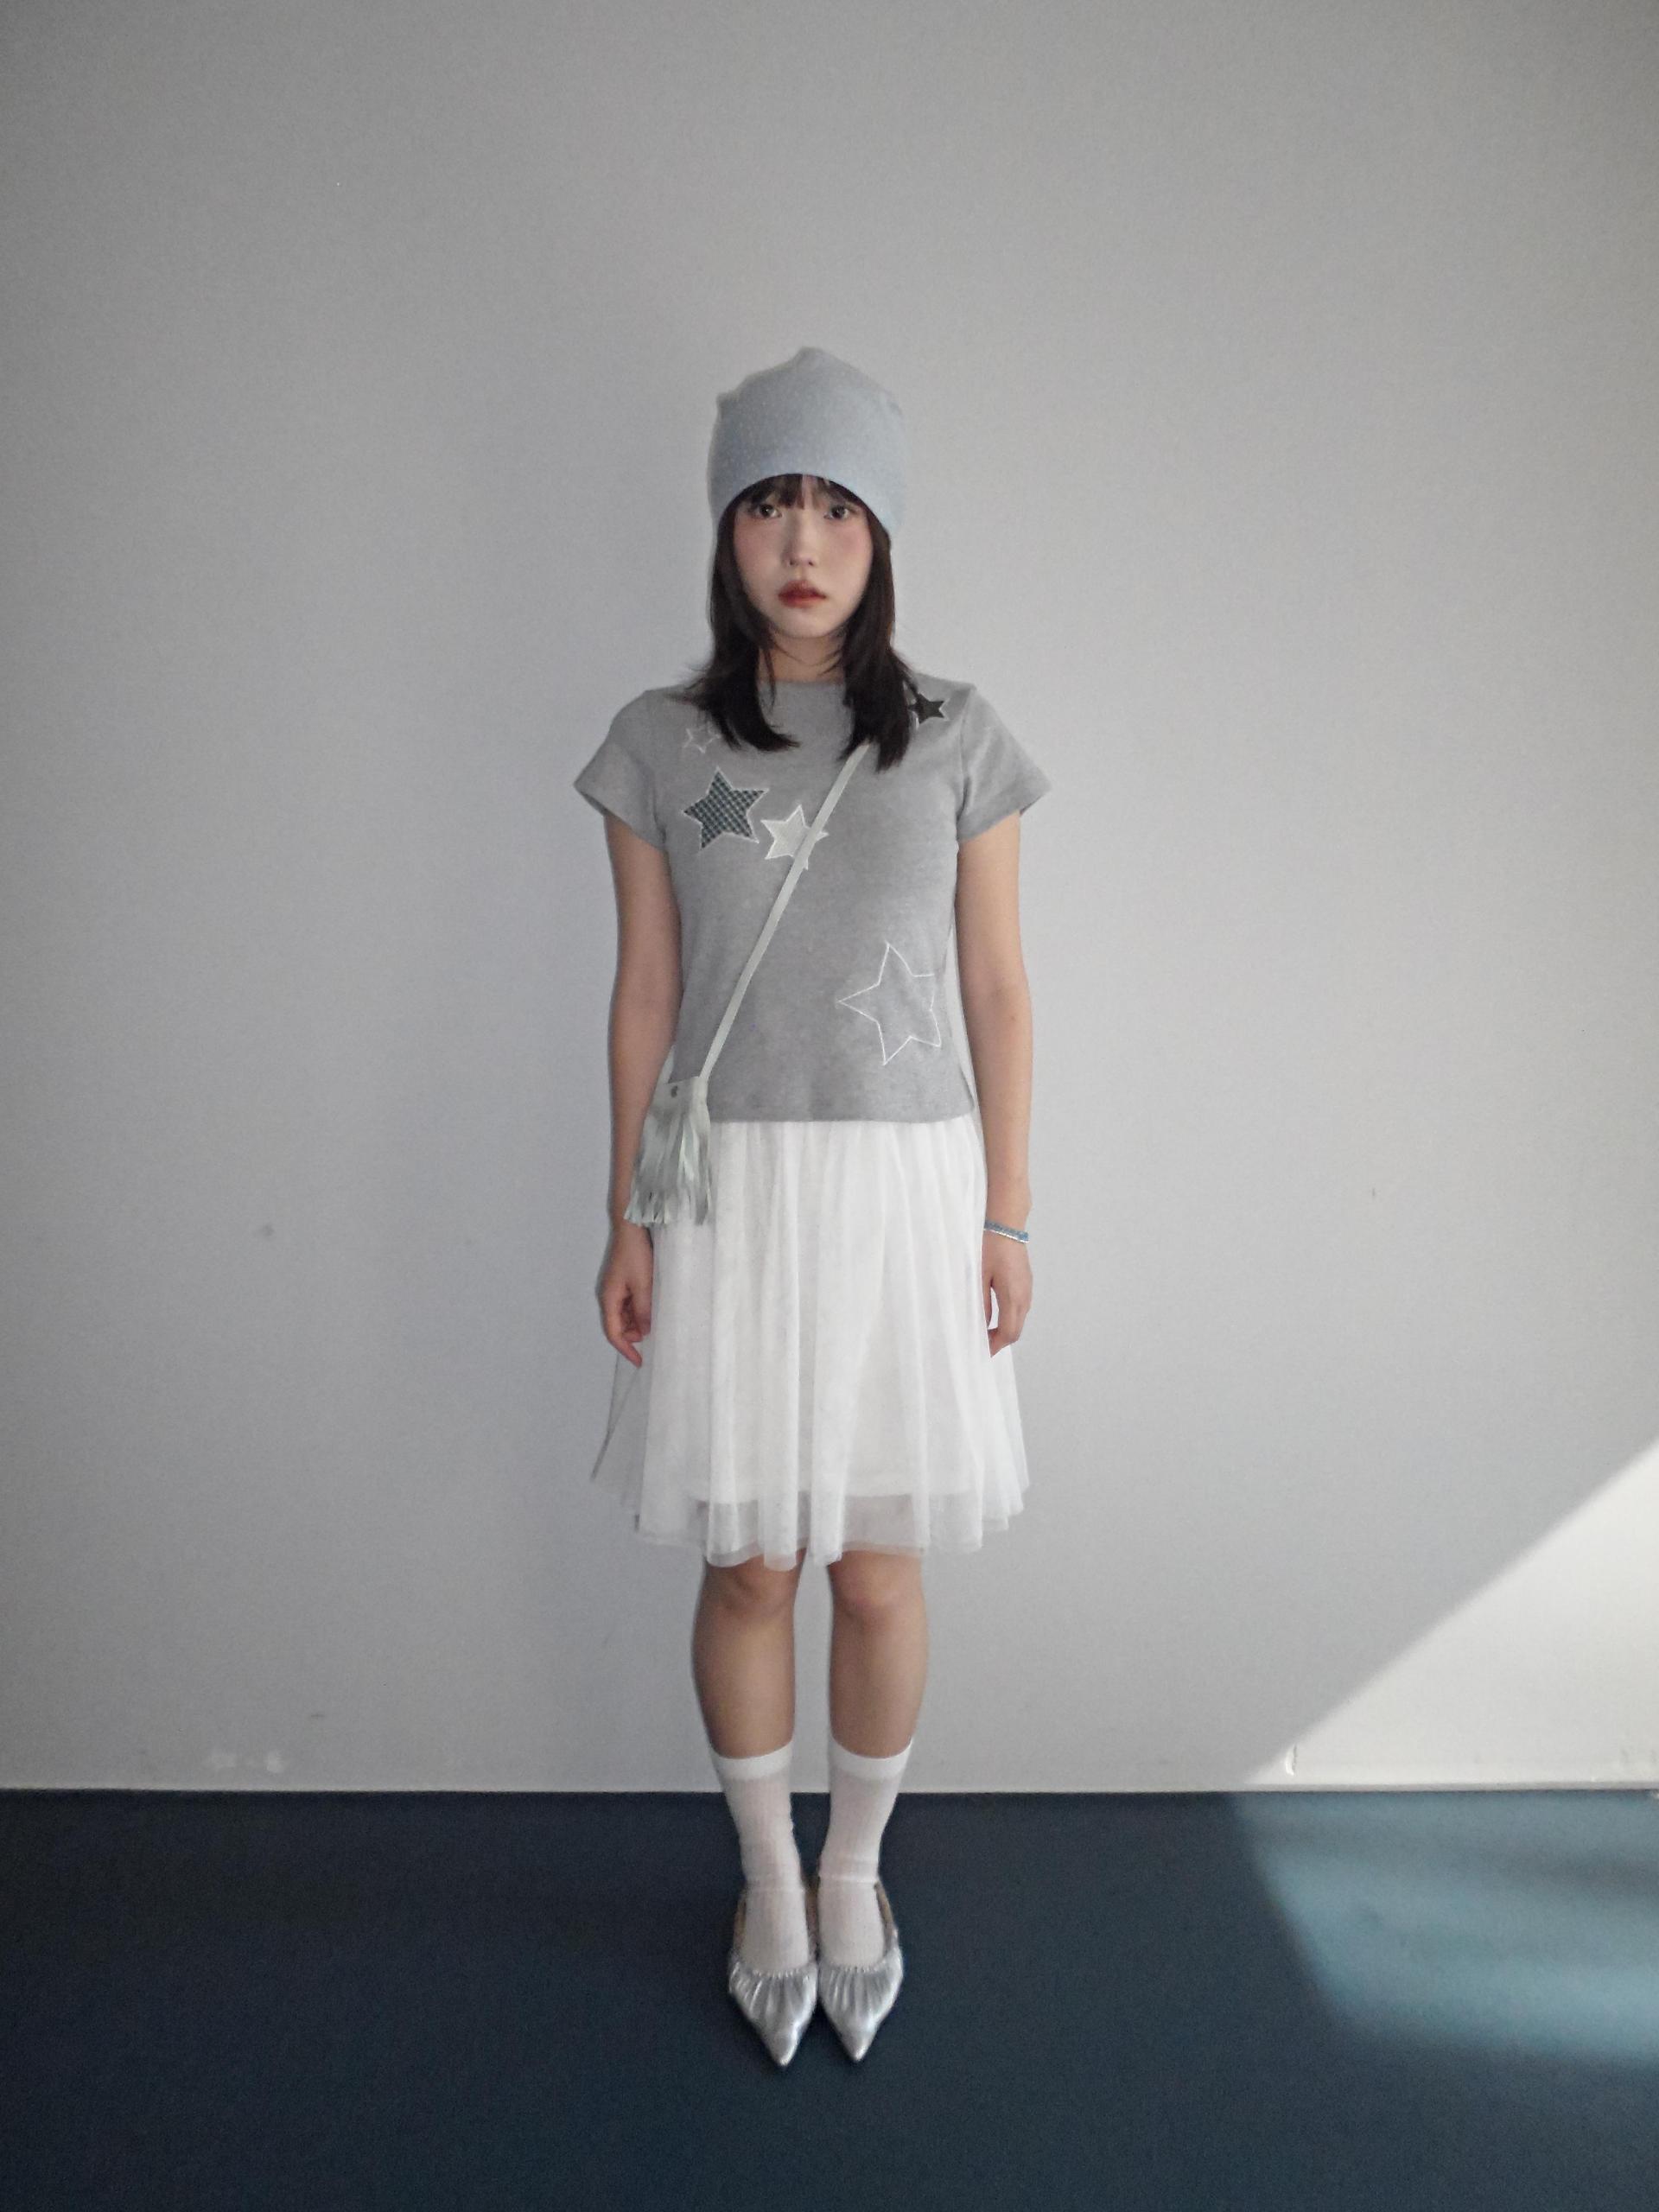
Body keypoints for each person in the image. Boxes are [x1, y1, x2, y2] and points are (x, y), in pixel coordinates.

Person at [572, 346, 1051, 2065]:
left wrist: (1008, 1214)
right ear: (727, 527)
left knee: (881, 1565)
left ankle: (857, 1871)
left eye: (837, 506)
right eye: (771, 502)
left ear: (881, 536)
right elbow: (645, 991)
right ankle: (767, 1879)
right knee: (752, 1560)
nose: (801, 539)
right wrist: (627, 1215)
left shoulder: (960, 739)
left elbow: (997, 987)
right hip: (734, 1198)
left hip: (905, 1192)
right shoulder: (659, 743)